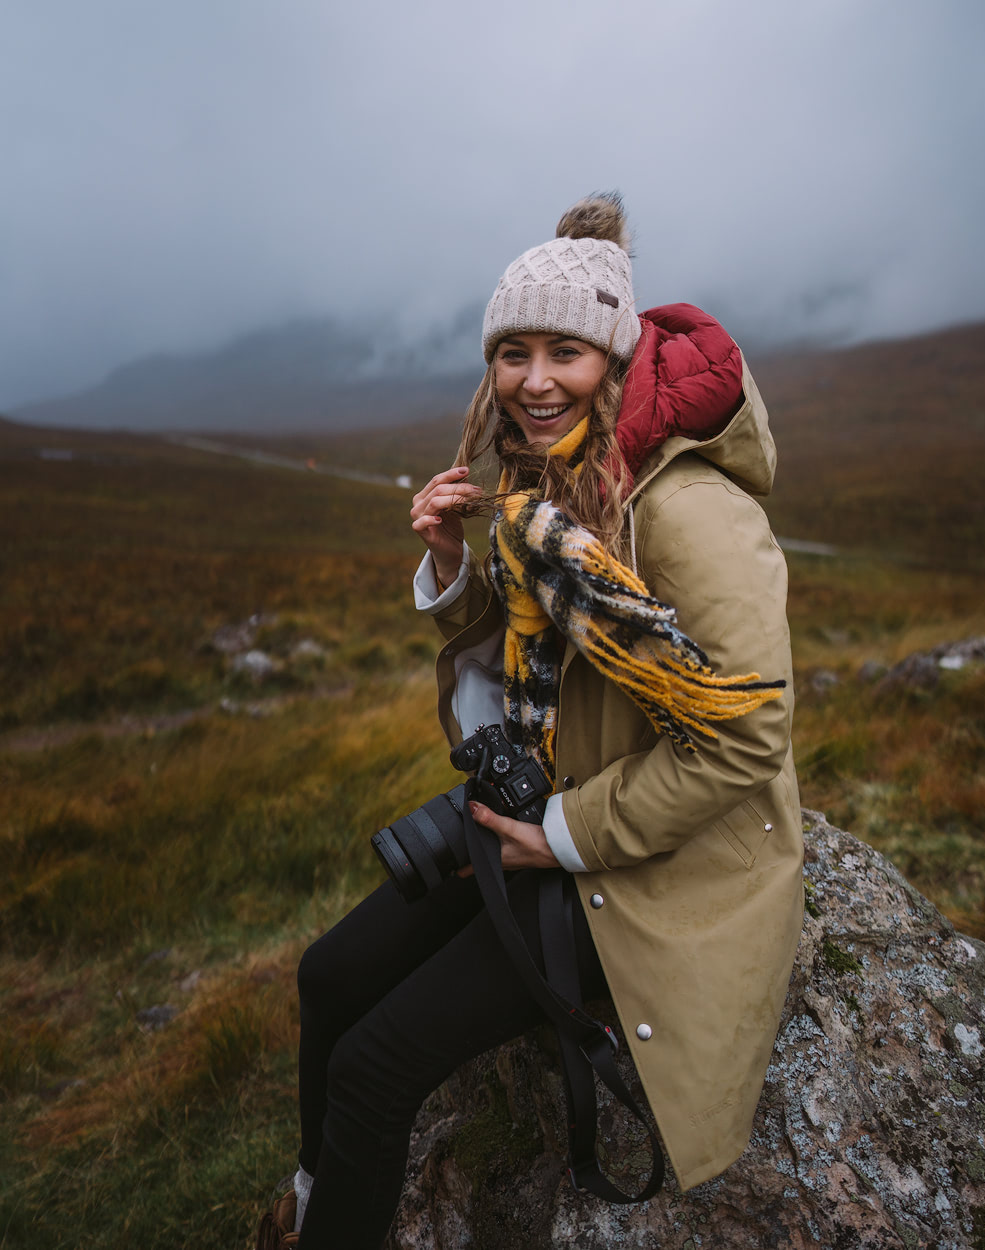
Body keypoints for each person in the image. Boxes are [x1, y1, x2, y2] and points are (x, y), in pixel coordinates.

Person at [256, 193, 803, 1249]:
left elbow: (744, 738)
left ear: (615, 354)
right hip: (541, 805)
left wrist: (562, 836)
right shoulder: (543, 487)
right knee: (326, 976)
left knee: (373, 1064)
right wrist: (455, 568)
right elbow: (522, 661)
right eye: (512, 352)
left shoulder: (688, 512)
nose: (534, 380)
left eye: (565, 352)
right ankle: (310, 1203)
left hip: (640, 860)